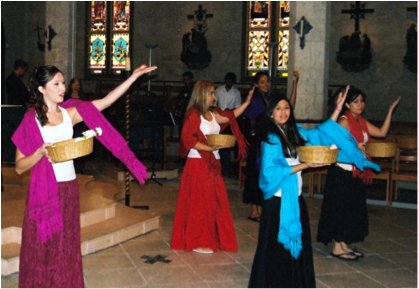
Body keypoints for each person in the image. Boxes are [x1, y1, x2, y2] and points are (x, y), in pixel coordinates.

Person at [12, 64, 157, 288]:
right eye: (56, 84)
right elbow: (20, 167)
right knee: (41, 247)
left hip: (68, 189)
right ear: (41, 89)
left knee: (66, 247)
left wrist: (133, 78)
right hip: (44, 192)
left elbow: (106, 102)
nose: (63, 88)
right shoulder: (31, 120)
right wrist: (40, 153)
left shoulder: (70, 113)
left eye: (63, 82)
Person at [248, 88, 380, 288]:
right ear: (271, 112)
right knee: (275, 248)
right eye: (278, 108)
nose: (283, 112)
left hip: (295, 196)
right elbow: (269, 171)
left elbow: (318, 133)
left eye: (286, 108)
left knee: (297, 245)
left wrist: (336, 111)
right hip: (278, 200)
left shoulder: (292, 130)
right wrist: (304, 165)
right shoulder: (271, 137)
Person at [317, 87, 401, 261]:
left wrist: (390, 111)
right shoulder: (344, 121)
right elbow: (335, 143)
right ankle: (336, 247)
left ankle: (344, 244)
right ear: (347, 104)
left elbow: (381, 133)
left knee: (350, 210)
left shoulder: (360, 121)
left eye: (362, 100)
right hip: (341, 171)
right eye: (356, 101)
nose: (360, 104)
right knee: (340, 210)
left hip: (354, 173)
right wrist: (355, 147)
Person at [171, 80, 254, 254]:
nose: (214, 97)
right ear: (202, 94)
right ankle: (197, 240)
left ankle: (211, 236)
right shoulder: (193, 114)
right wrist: (209, 148)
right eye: (211, 93)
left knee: (213, 202)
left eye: (214, 93)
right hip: (198, 163)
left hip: (213, 163)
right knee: (199, 204)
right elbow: (188, 140)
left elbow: (231, 116)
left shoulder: (213, 113)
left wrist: (246, 102)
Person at [243, 70, 299, 222]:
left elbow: (289, 107)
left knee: (263, 173)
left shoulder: (268, 99)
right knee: (256, 173)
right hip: (259, 141)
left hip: (266, 139)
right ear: (255, 84)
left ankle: (260, 208)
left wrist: (295, 85)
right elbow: (253, 122)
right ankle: (254, 211)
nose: (266, 84)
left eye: (267, 81)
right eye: (262, 82)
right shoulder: (255, 100)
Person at [215, 72, 242, 177]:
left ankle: (230, 169)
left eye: (231, 81)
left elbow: (238, 107)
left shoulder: (236, 93)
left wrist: (229, 111)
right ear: (225, 80)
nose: (229, 82)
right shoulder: (218, 90)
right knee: (220, 144)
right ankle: (222, 168)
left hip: (230, 120)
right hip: (220, 119)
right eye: (228, 80)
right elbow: (214, 104)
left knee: (229, 144)